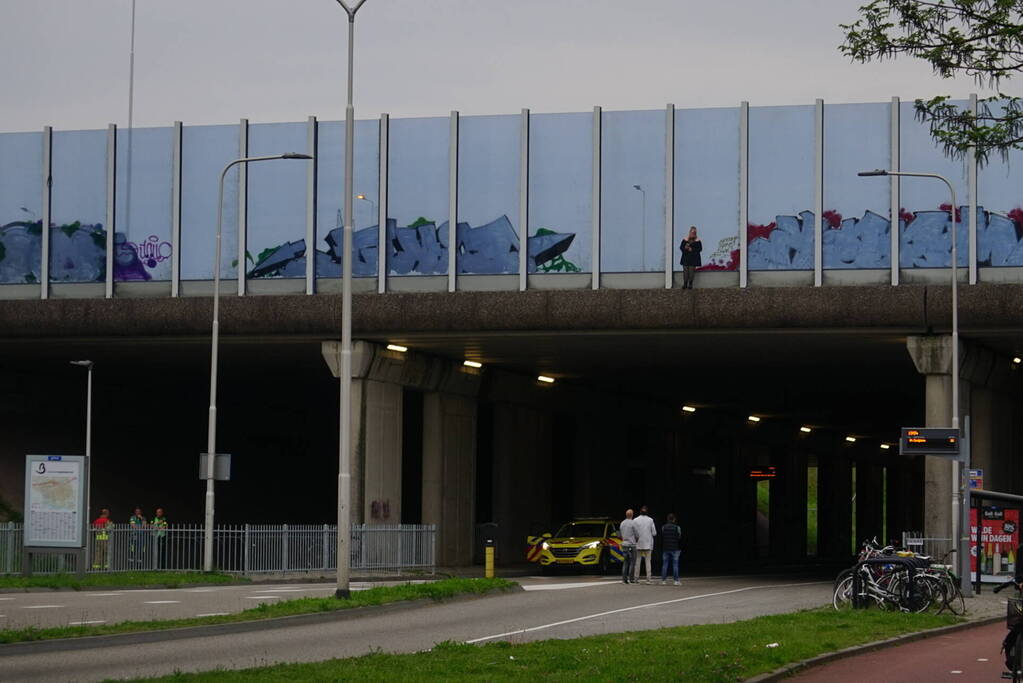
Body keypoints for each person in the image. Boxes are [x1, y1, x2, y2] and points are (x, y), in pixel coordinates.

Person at [633, 505, 657, 584]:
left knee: (637, 561)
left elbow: (633, 532)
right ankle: (648, 579)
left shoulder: (635, 520)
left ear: (640, 511)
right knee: (648, 562)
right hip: (648, 543)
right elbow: (654, 533)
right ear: (647, 512)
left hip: (638, 543)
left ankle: (636, 578)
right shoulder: (650, 520)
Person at [660, 512, 682, 585]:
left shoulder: (663, 527)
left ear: (667, 519)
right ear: (674, 519)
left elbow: (662, 536)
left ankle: (663, 580)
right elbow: (679, 537)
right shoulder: (677, 527)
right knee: (675, 564)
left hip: (665, 548)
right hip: (675, 548)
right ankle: (676, 581)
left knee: (665, 564)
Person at [619, 509, 638, 584]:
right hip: (632, 544)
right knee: (632, 562)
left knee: (625, 562)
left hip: (624, 544)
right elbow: (637, 534)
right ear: (632, 515)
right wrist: (635, 540)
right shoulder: (633, 523)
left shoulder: (622, 523)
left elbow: (620, 534)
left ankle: (624, 579)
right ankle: (631, 578)